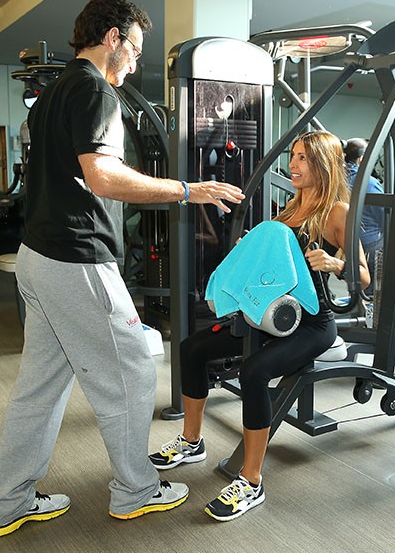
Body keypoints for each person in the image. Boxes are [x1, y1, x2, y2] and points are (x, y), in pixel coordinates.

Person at [0, 0, 245, 538]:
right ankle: (135, 490)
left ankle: (6, 502)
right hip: (75, 260)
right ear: (112, 38)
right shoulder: (96, 90)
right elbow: (103, 176)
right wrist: (187, 190)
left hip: (38, 258)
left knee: (39, 390)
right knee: (133, 372)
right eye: (136, 49)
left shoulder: (55, 92)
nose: (136, 61)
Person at [149, 131, 369, 522]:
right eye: (294, 156)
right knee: (192, 349)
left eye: (303, 158)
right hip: (271, 315)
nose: (294, 164)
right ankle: (191, 441)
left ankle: (251, 481)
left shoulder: (338, 212)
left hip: (312, 323)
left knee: (254, 371)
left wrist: (336, 264)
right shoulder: (290, 209)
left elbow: (364, 277)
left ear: (322, 163)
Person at [344, 137, 384, 296]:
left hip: (350, 246)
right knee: (372, 295)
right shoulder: (369, 183)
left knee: (357, 292)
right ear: (361, 159)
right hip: (371, 248)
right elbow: (384, 218)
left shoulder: (337, 179)